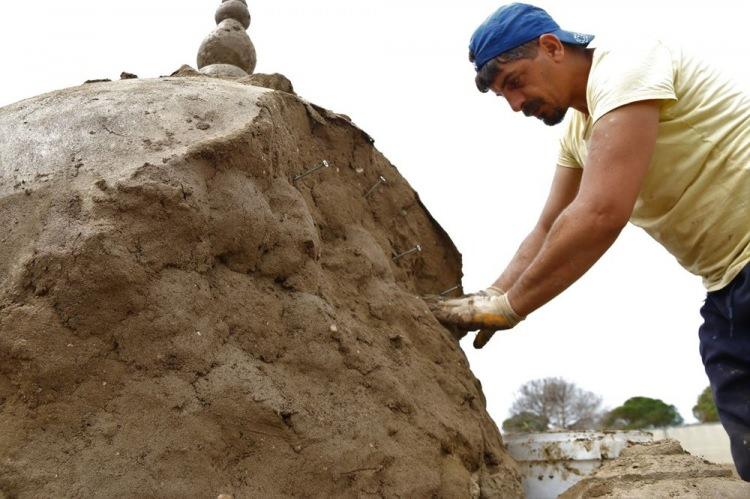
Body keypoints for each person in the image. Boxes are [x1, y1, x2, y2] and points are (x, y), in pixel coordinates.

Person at [431, 2, 750, 480]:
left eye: (515, 82)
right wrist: (487, 298)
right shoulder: (580, 132)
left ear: (552, 47)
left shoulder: (628, 63)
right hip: (727, 289)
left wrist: (513, 306)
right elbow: (546, 228)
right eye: (504, 96)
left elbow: (601, 213)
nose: (516, 105)